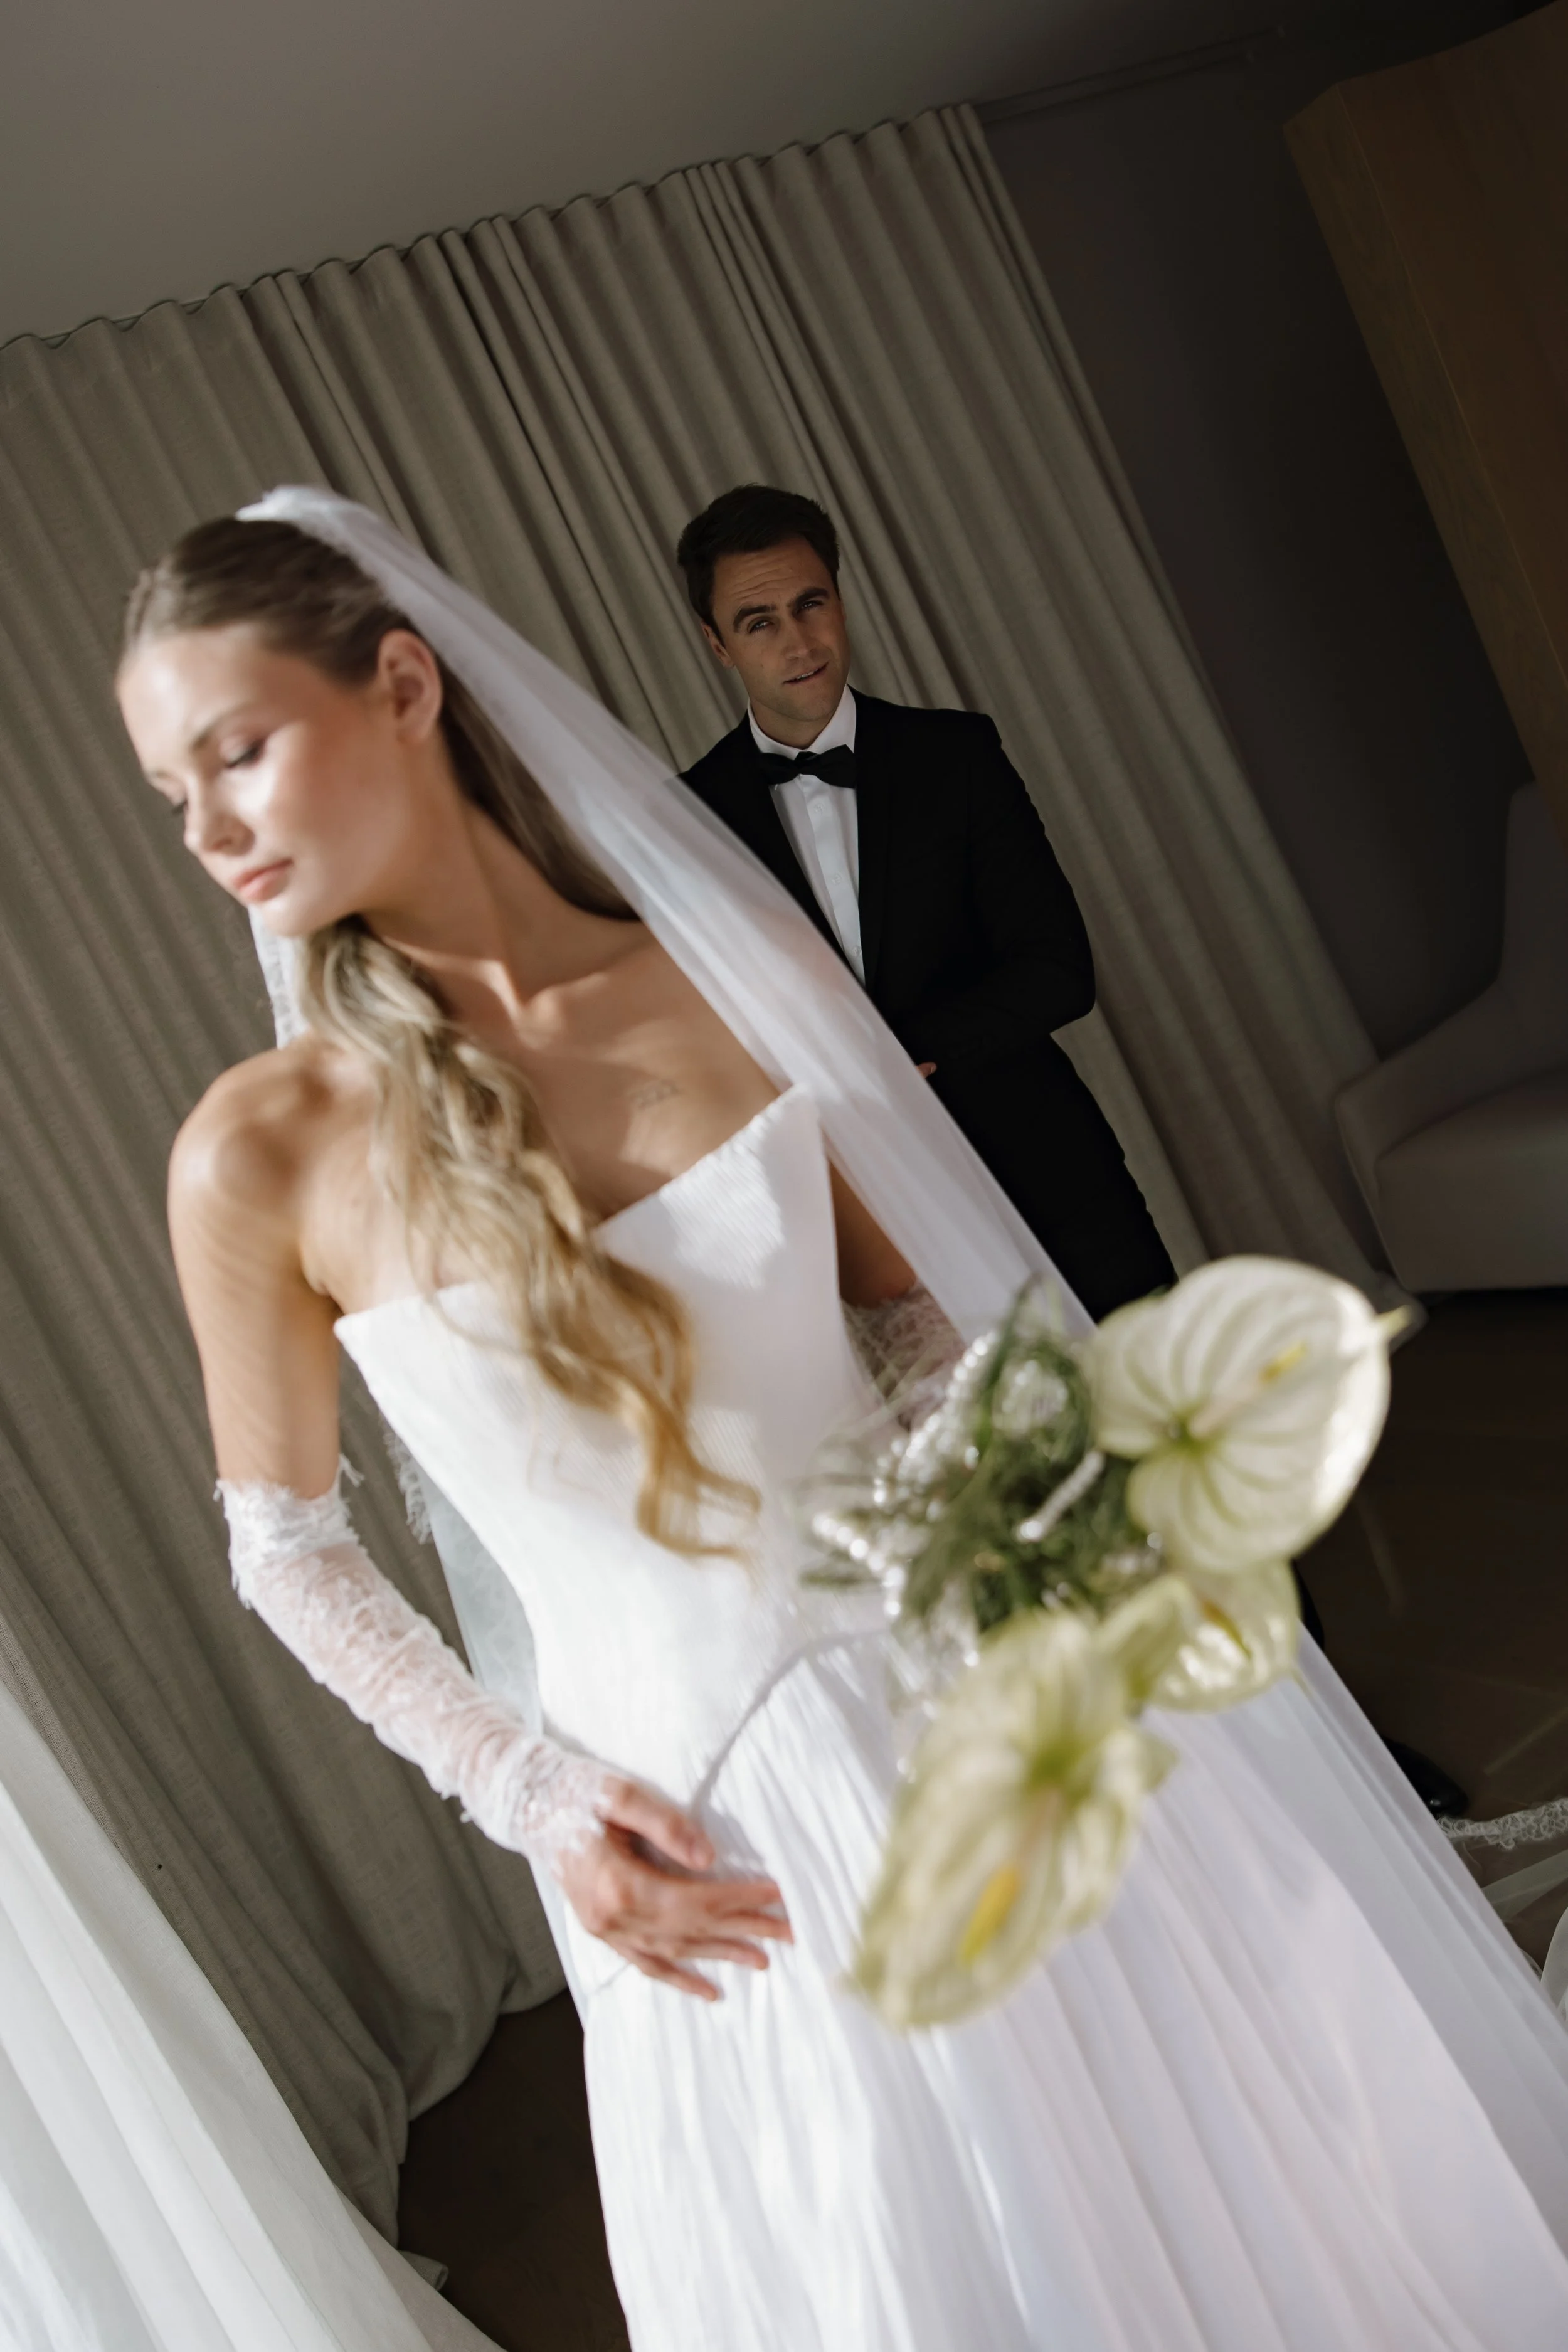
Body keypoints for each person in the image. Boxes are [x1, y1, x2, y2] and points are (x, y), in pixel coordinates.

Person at [118, 487, 1568, 2352]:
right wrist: (531, 1789)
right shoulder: (258, 1152)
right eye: (174, 792)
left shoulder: (735, 976)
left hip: (965, 1709)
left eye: (236, 751)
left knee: (1234, 2195)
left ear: (402, 683)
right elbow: (288, 1548)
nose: (210, 827)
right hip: (700, 1832)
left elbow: (913, 1325)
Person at [676, 484, 1173, 1322]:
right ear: (718, 645)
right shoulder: (687, 818)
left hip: (1041, 1164)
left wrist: (901, 1052)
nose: (798, 641)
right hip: (864, 1220)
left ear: (839, 599)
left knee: (1165, 1410)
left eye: (812, 604)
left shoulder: (958, 754)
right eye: (759, 621)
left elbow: (1060, 971)